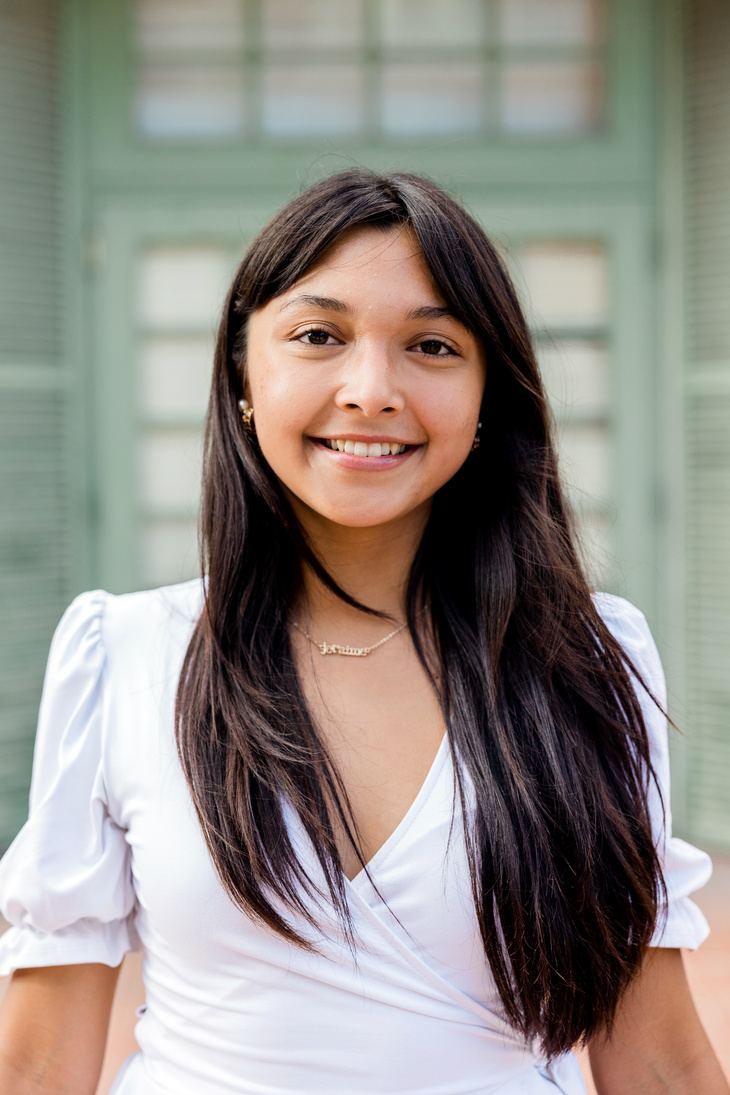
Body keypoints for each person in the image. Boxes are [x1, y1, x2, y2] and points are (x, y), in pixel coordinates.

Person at [0, 170, 726, 1095]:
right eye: (318, 336)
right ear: (243, 375)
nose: (371, 390)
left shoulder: (585, 659)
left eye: (431, 344)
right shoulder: (129, 655)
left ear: (486, 397)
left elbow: (657, 1059)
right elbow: (36, 1064)